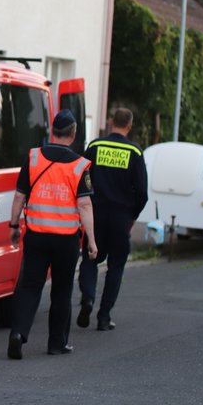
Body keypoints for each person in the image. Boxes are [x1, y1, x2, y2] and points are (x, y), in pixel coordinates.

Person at [7, 109, 98, 360]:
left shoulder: (34, 158)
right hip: (66, 240)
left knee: (30, 287)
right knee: (61, 289)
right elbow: (85, 206)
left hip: (36, 235)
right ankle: (57, 343)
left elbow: (19, 196)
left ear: (52, 131)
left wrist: (14, 226)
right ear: (73, 133)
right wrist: (91, 239)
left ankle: (18, 334)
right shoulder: (80, 166)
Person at [76, 107, 149, 331]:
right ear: (129, 126)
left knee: (90, 258)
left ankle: (88, 297)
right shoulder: (135, 152)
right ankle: (104, 316)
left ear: (111, 122)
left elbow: (81, 177)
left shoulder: (95, 146)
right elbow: (142, 192)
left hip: (95, 216)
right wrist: (132, 216)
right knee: (116, 266)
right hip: (120, 219)